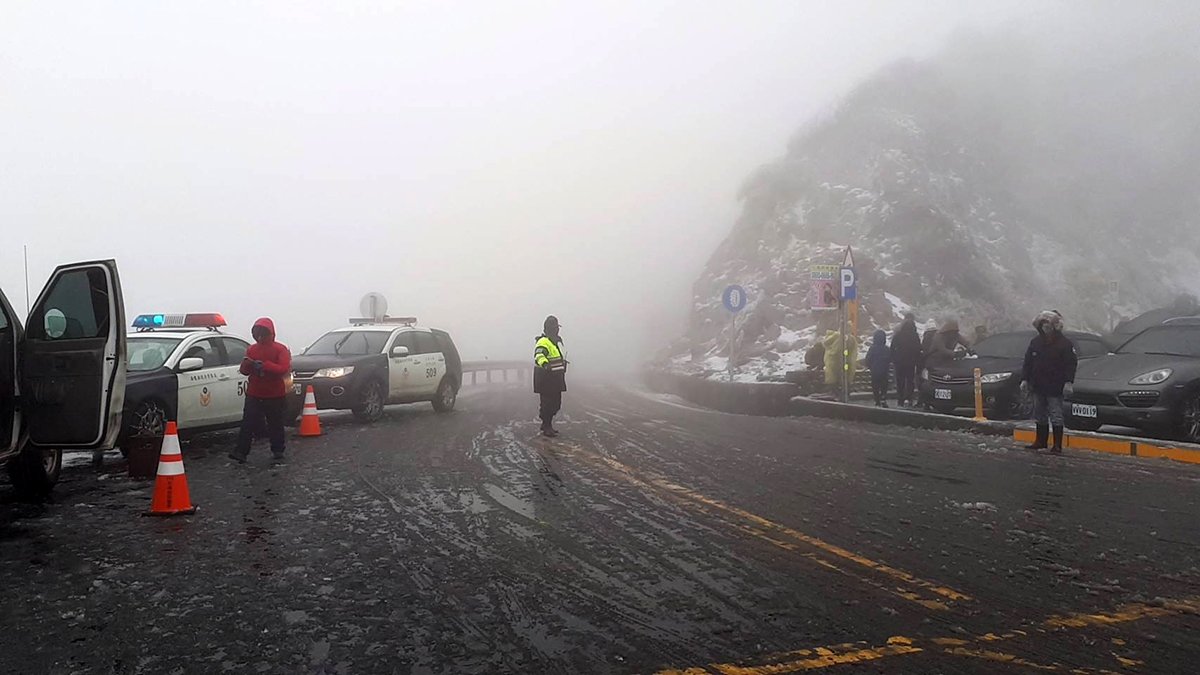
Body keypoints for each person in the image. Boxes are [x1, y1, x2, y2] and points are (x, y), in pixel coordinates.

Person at [229, 318, 292, 463]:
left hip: (274, 394)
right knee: (247, 423)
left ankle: (278, 450)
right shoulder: (252, 349)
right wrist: (247, 365)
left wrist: (264, 365)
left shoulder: (280, 349)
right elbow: (244, 371)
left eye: (263, 333)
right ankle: (241, 452)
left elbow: (283, 368)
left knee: (275, 423)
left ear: (270, 333)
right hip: (254, 393)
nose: (260, 336)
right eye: (257, 333)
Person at [1020, 310, 1078, 454]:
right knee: (1039, 414)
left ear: (1055, 326)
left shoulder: (1065, 344)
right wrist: (1025, 379)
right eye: (1043, 325)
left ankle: (1057, 445)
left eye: (1048, 325)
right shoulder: (1036, 342)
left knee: (1056, 414)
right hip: (1038, 384)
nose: (1046, 328)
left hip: (1055, 386)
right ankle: (1041, 441)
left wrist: (1068, 382)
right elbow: (1028, 362)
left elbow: (1071, 364)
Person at [533, 315, 567, 437]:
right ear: (549, 328)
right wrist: (545, 364)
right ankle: (546, 425)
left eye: (557, 327)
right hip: (546, 377)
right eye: (555, 327)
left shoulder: (555, 341)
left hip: (556, 377)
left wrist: (562, 364)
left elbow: (556, 357)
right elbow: (539, 355)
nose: (557, 329)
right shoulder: (544, 341)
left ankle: (548, 424)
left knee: (556, 403)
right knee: (547, 403)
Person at [890, 314, 922, 407]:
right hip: (911, 363)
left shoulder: (898, 335)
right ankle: (909, 398)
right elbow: (918, 349)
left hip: (899, 363)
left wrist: (894, 359)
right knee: (910, 381)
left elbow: (892, 348)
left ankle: (900, 400)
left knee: (900, 381)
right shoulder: (915, 336)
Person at [865, 330, 891, 408]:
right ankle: (883, 397)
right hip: (884, 371)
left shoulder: (872, 348)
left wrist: (870, 366)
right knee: (884, 385)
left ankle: (877, 401)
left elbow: (868, 359)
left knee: (875, 386)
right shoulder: (886, 349)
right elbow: (890, 358)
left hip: (875, 371)